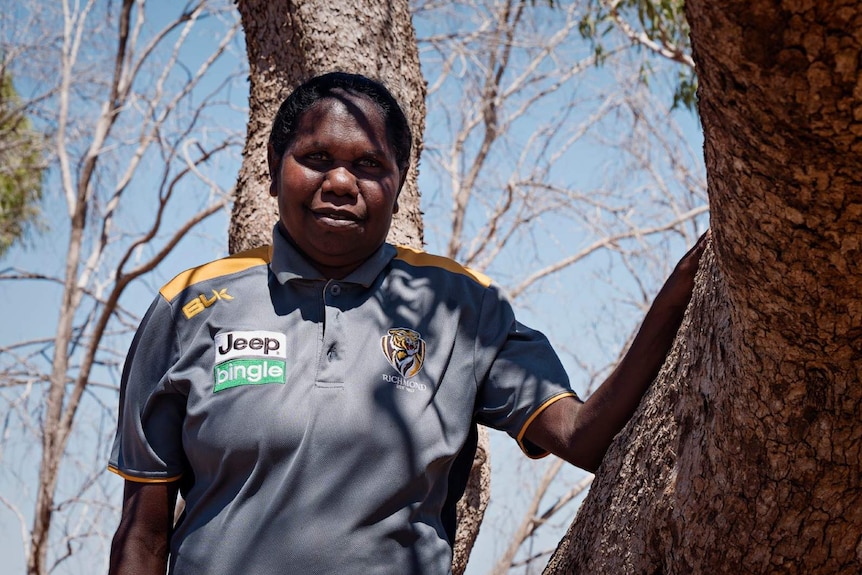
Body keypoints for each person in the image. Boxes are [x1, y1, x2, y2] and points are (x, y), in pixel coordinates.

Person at [108, 72, 707, 575]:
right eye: (316, 159)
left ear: (398, 184)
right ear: (273, 171)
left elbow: (583, 437)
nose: (341, 183)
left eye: (369, 165)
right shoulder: (190, 307)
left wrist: (680, 294)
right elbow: (142, 536)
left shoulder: (461, 307)